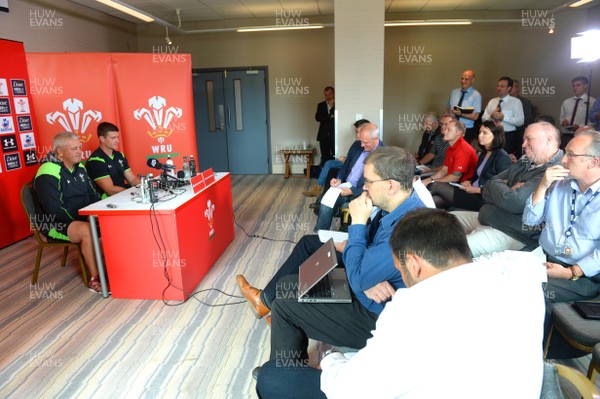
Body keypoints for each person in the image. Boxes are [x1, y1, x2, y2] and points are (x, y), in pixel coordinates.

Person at [256, 209, 545, 399]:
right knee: (291, 288)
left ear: (415, 264)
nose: (365, 189)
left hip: (370, 316)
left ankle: (290, 368)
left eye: (401, 269)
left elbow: (351, 390)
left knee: (272, 378)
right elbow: (529, 261)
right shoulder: (519, 275)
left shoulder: (413, 309)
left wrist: (329, 358)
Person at [238, 147, 426, 368]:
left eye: (369, 182)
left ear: (391, 185)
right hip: (368, 294)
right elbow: (363, 262)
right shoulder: (393, 208)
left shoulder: (407, 229)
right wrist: (365, 277)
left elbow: (359, 274)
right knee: (287, 286)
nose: (363, 187)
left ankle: (284, 376)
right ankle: (286, 361)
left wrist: (357, 225)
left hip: (376, 318)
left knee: (286, 303)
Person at [452, 121, 563, 257]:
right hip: (488, 217)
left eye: (529, 139)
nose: (523, 145)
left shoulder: (555, 171)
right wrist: (504, 188)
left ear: (548, 140)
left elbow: (514, 202)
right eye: (524, 140)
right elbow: (488, 185)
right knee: (442, 222)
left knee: (453, 251)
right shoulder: (526, 161)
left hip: (510, 233)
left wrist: (501, 188)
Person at [523, 131, 600, 318]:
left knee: (527, 291)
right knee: (498, 272)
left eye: (570, 155)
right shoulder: (559, 184)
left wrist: (571, 272)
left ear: (593, 162)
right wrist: (542, 185)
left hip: (581, 274)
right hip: (542, 257)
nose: (563, 159)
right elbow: (530, 221)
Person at [33, 132, 104, 293]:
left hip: (79, 217)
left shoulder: (80, 167)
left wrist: (102, 212)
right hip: (54, 223)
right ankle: (95, 278)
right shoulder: (48, 171)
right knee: (86, 230)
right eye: (74, 149)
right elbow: (54, 209)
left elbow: (93, 195)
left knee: (111, 221)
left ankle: (115, 268)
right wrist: (87, 220)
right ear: (60, 152)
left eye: (80, 147)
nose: (80, 151)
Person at [313, 123, 382, 232]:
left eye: (366, 142)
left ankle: (344, 240)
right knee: (326, 203)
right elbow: (345, 166)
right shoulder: (356, 145)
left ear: (376, 138)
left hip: (363, 193)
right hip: (344, 185)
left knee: (347, 208)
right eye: (361, 141)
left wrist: (352, 191)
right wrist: (339, 179)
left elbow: (379, 185)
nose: (362, 145)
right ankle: (320, 235)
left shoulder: (384, 154)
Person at [428, 120, 512, 210]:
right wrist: (469, 181)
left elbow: (501, 188)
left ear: (495, 135)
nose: (480, 136)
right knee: (435, 200)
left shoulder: (502, 157)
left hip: (483, 198)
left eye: (485, 133)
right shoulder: (484, 153)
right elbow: (477, 176)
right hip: (471, 191)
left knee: (435, 185)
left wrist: (475, 190)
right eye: (480, 132)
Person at [303, 119, 370, 198]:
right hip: (347, 163)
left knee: (330, 164)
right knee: (329, 163)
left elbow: (359, 163)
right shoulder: (356, 144)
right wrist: (345, 158)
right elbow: (352, 158)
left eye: (359, 132)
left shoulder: (373, 146)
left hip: (352, 170)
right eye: (356, 132)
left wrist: (345, 160)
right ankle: (318, 188)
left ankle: (318, 189)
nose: (357, 135)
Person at [85, 122, 140, 198]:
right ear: (102, 139)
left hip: (124, 196)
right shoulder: (95, 160)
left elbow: (132, 179)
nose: (117, 141)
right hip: (107, 202)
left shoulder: (119, 155)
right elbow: (110, 190)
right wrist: (132, 192)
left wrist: (143, 187)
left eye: (117, 137)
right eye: (113, 138)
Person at [421, 119, 478, 186]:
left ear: (459, 133)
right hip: (453, 181)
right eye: (445, 129)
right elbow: (444, 170)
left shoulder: (463, 149)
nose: (445, 132)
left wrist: (432, 181)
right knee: (422, 180)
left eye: (448, 130)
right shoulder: (450, 147)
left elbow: (455, 177)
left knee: (433, 185)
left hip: (464, 185)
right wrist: (429, 180)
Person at [482, 76, 524, 155]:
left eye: (502, 86)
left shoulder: (516, 102)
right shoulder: (492, 101)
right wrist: (491, 116)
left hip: (508, 136)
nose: (499, 88)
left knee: (502, 158)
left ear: (509, 88)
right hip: (492, 134)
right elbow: (483, 119)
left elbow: (520, 121)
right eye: (498, 86)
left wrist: (504, 117)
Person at [559, 76, 596, 149]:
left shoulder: (592, 102)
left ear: (585, 86)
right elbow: (561, 118)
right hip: (566, 135)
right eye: (573, 86)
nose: (575, 88)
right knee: (564, 156)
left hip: (583, 136)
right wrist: (563, 122)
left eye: (578, 85)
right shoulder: (566, 102)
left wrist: (580, 127)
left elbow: (594, 121)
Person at [447, 69, 482, 144]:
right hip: (452, 127)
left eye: (466, 79)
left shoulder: (476, 95)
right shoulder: (454, 92)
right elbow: (448, 109)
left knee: (461, 153)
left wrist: (461, 114)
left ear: (472, 80)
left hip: (466, 129)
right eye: (462, 78)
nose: (463, 81)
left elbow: (475, 116)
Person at [510, 79, 535, 158]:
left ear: (517, 88)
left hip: (520, 133)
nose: (510, 88)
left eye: (513, 86)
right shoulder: (504, 101)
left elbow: (528, 120)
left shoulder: (525, 102)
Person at [315, 86, 335, 166]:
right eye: (326, 95)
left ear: (333, 94)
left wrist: (332, 106)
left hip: (334, 135)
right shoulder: (321, 105)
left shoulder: (339, 104)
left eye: (330, 94)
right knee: (324, 157)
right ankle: (324, 174)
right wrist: (330, 116)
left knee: (335, 155)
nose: (328, 96)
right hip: (323, 135)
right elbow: (317, 118)